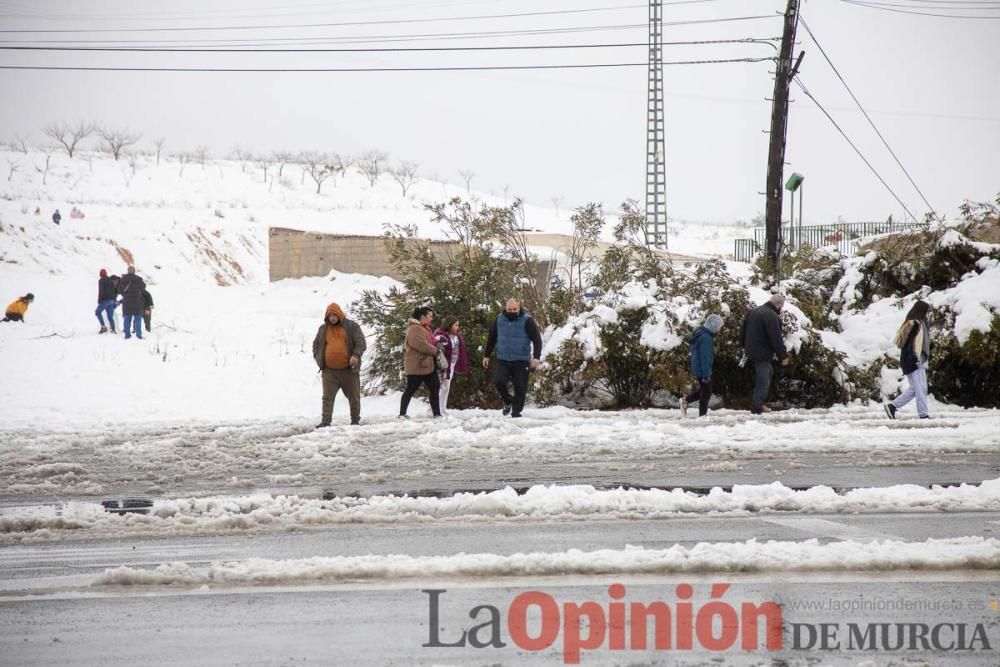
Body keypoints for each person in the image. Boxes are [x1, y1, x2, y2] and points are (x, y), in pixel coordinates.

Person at [482, 297, 543, 418]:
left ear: (519, 307)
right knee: (499, 382)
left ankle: (516, 413)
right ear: (505, 307)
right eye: (509, 309)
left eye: (514, 309)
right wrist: (486, 355)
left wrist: (536, 357)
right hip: (503, 358)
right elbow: (492, 338)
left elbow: (537, 340)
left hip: (521, 360)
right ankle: (508, 400)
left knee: (520, 387)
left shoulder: (527, 320)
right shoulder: (499, 319)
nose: (512, 312)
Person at [312, 302, 367, 428]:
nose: (332, 318)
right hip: (329, 371)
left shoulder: (351, 326)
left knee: (354, 397)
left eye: (334, 315)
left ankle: (355, 420)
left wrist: (355, 355)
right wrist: (319, 358)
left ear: (339, 314)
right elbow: (316, 344)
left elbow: (361, 343)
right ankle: (325, 421)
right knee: (327, 398)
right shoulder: (323, 329)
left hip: (349, 370)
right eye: (330, 315)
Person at [739, 293, 789, 415]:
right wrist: (783, 356)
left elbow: (743, 329)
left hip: (751, 351)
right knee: (764, 380)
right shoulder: (771, 316)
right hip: (762, 353)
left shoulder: (754, 311)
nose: (780, 309)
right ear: (778, 304)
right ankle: (757, 406)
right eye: (781, 306)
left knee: (768, 373)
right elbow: (776, 338)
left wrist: (743, 345)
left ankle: (760, 403)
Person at [885, 300, 932, 420]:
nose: (928, 314)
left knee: (916, 388)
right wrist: (914, 356)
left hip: (917, 358)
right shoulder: (914, 323)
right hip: (913, 359)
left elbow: (919, 342)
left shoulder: (921, 323)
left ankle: (892, 406)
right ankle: (923, 415)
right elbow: (904, 342)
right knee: (920, 388)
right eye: (926, 311)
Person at [400, 306, 442, 419]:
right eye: (429, 316)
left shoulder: (425, 328)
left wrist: (437, 344)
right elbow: (421, 345)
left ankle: (437, 414)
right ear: (422, 316)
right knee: (410, 389)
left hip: (428, 365)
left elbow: (429, 342)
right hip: (417, 365)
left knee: (435, 388)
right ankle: (402, 413)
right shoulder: (414, 328)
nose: (431, 319)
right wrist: (435, 350)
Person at [680, 314, 724, 417]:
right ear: (713, 326)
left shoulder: (701, 333)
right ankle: (702, 415)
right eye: (719, 327)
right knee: (706, 393)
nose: (719, 330)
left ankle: (685, 401)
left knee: (704, 390)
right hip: (702, 368)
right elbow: (705, 357)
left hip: (697, 366)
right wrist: (706, 375)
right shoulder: (706, 338)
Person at [433, 316, 470, 416]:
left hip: (452, 365)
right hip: (443, 365)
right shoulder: (441, 335)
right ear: (449, 325)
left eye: (458, 325)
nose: (458, 327)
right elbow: (435, 344)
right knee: (442, 386)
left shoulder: (456, 336)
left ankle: (442, 408)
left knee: (446, 387)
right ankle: (434, 408)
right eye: (456, 325)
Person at [117, 265, 146, 340]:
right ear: (134, 271)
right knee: (138, 320)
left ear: (127, 271)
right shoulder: (139, 279)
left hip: (127, 302)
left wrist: (125, 294)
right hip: (137, 302)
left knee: (127, 319)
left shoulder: (123, 279)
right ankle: (139, 335)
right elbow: (143, 287)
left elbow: (119, 290)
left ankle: (127, 335)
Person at [96, 269, 117, 334]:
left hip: (105, 300)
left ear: (100, 274)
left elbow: (101, 291)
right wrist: (114, 300)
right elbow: (114, 290)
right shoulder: (111, 280)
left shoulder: (101, 281)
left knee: (97, 312)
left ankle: (103, 327)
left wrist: (99, 300)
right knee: (110, 316)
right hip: (112, 301)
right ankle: (113, 329)